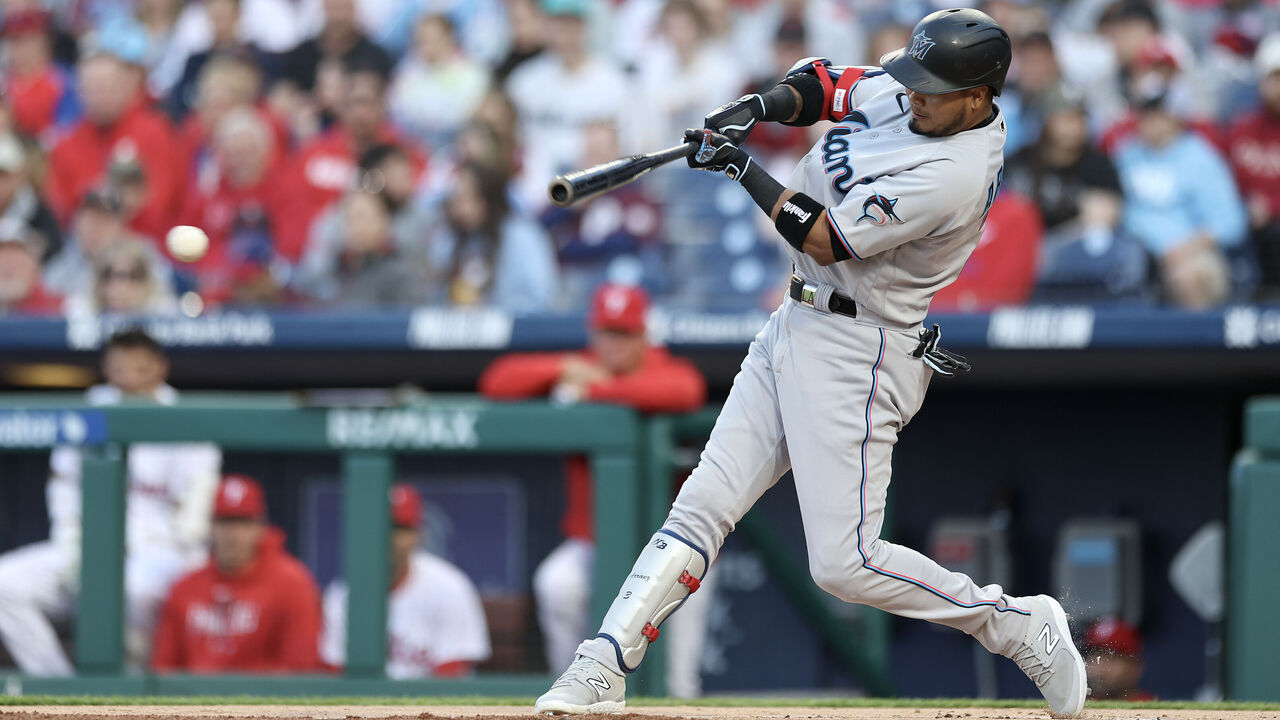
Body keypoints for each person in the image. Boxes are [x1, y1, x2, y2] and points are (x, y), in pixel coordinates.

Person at [533, 9, 1087, 717]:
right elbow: (825, 85)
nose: (914, 95)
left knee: (845, 564)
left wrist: (739, 165)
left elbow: (825, 238)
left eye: (933, 89)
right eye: (914, 80)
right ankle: (602, 663)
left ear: (978, 97)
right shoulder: (917, 89)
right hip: (797, 318)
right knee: (704, 502)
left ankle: (1013, 623)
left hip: (863, 348)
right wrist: (757, 106)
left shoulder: (953, 170)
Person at [480, 283, 709, 695]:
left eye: (624, 334)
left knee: (678, 675)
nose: (613, 345)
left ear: (643, 335)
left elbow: (685, 389)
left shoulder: (659, 367)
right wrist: (561, 371)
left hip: (669, 542)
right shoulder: (579, 366)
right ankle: (575, 687)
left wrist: (592, 393)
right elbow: (497, 381)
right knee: (557, 584)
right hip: (594, 543)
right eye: (606, 333)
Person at [0, 329, 222, 675]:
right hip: (91, 548)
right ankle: (62, 688)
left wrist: (136, 546)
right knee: (5, 584)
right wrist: (73, 541)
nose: (129, 381)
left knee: (131, 589)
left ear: (160, 368)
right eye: (120, 370)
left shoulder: (186, 417)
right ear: (106, 368)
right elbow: (63, 488)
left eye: (140, 370)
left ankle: (129, 695)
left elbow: (191, 520)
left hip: (160, 556)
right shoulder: (91, 407)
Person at [151, 474, 323, 672]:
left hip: (263, 701)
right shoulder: (185, 588)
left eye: (243, 522)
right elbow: (163, 671)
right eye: (225, 522)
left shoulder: (292, 583)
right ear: (212, 527)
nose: (233, 534)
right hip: (195, 699)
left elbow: (300, 669)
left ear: (260, 527)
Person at [320, 483, 491, 678]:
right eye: (379, 527)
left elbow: (453, 674)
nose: (388, 538)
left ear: (418, 535)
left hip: (433, 705)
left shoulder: (449, 585)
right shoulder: (341, 591)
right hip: (366, 706)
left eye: (398, 529)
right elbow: (337, 673)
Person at [1112, 72, 1247, 308]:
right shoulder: (1126, 153)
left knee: (1187, 277)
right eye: (1145, 111)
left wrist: (1182, 249)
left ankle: (1195, 343)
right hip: (1132, 250)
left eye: (1158, 112)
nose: (1150, 119)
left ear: (1177, 115)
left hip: (1188, 251)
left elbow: (1231, 223)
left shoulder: (1200, 158)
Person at [1226, 33, 1280, 299]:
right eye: (1276, 77)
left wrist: (1270, 205)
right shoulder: (1241, 128)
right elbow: (1223, 183)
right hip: (1246, 228)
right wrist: (1246, 204)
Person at [1081, 618, 1155, 701]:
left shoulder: (1153, 708)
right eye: (1095, 657)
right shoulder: (1078, 706)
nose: (1101, 668)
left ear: (1135, 665)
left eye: (1112, 658)